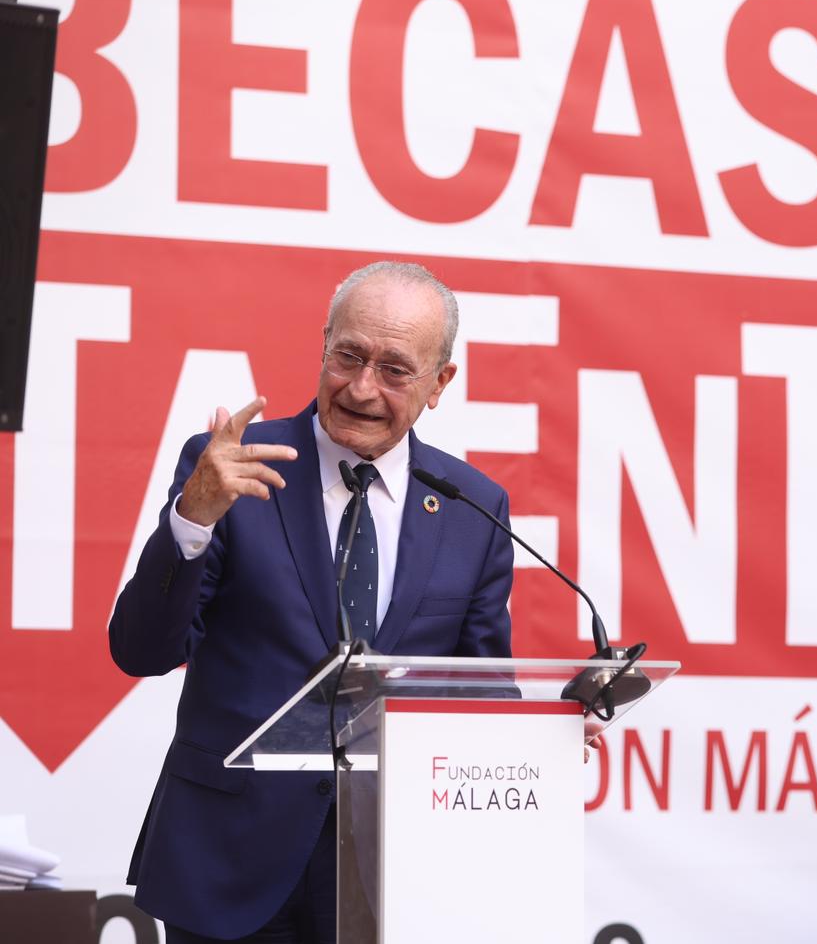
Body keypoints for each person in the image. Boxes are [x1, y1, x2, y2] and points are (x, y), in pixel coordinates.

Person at [109, 261, 514, 943]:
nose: (361, 387)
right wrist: (193, 519)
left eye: (395, 370)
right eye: (348, 355)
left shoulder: (473, 506)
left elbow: (477, 692)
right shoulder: (231, 468)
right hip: (229, 859)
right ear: (323, 344)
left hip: (392, 871)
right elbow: (141, 651)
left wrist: (545, 738)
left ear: (440, 383)